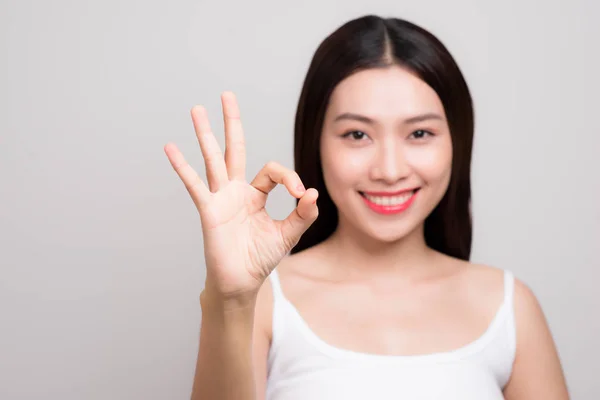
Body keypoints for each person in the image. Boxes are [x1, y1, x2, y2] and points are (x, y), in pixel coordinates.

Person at [164, 14, 569, 400]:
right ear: (316, 144)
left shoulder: (509, 306)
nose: (389, 170)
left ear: (456, 142)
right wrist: (231, 300)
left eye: (420, 133)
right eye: (357, 134)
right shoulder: (265, 301)